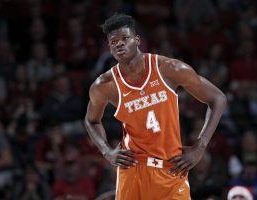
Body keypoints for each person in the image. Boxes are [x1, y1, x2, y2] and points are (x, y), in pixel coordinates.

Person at [85, 13, 227, 200]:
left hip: (171, 168)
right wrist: (106, 151)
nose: (119, 44)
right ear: (110, 48)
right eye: (113, 41)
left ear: (137, 40)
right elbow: (91, 120)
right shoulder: (104, 85)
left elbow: (217, 98)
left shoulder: (169, 69)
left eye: (125, 38)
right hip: (133, 170)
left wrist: (200, 147)